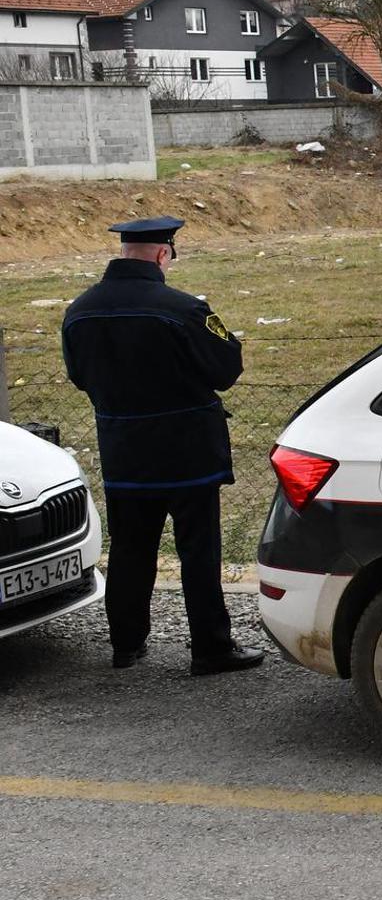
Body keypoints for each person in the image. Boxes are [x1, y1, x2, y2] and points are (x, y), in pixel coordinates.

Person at [61, 217, 264, 675]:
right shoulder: (184, 310)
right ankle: (210, 647)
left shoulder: (78, 311)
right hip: (187, 454)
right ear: (162, 254)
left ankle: (126, 644)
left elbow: (79, 377)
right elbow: (225, 371)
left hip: (124, 454)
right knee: (198, 551)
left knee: (131, 550)